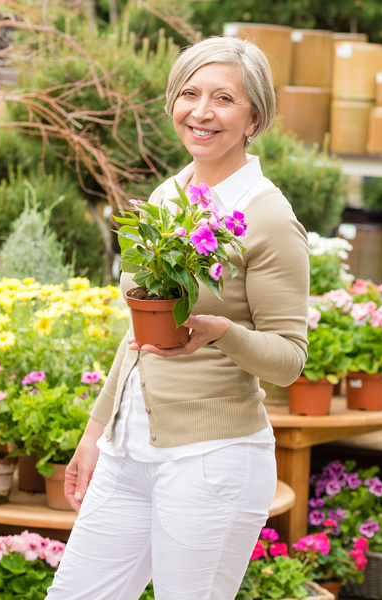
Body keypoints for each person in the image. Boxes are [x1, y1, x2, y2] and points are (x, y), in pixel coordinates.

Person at [46, 36, 309, 599]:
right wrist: (96, 434)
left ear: (253, 116)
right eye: (189, 94)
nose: (202, 112)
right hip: (128, 451)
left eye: (224, 99)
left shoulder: (268, 216)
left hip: (211, 461)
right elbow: (137, 333)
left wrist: (222, 333)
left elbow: (289, 359)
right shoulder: (167, 199)